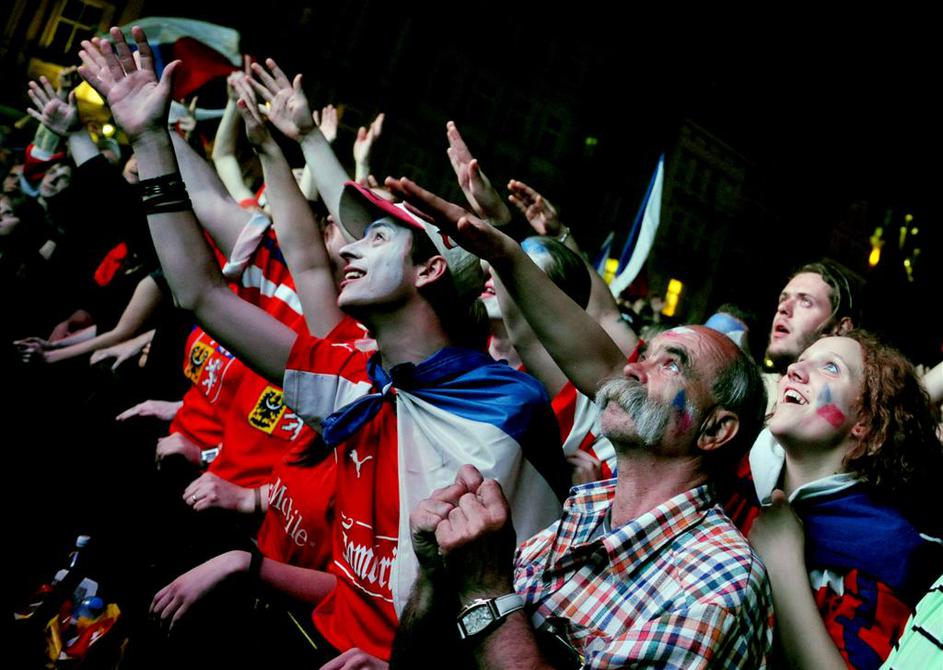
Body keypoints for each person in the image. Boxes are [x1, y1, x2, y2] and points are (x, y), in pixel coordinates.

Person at [78, 27, 566, 667]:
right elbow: (200, 293)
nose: (351, 248)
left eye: (378, 239)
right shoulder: (354, 379)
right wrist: (149, 137)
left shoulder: (507, 407)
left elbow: (528, 599)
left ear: (429, 272)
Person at [394, 325, 773, 668]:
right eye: (645, 355)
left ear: (715, 430)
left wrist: (486, 588)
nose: (632, 369)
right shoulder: (585, 512)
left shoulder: (716, 586)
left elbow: (488, 606)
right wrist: (437, 578)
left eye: (671, 365)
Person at [739, 331, 943, 670]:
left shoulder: (887, 552)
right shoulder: (733, 464)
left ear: (866, 421)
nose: (794, 370)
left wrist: (782, 564)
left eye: (830, 367)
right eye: (800, 361)